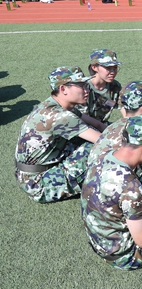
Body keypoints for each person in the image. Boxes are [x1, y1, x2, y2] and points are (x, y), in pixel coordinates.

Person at [82, 115, 142, 270]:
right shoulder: (129, 186)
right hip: (125, 255)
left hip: (102, 242)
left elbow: (115, 202)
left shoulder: (102, 157)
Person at [14, 66, 102, 203]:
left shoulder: (53, 104)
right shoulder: (60, 116)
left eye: (86, 85)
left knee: (87, 137)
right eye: (81, 85)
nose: (87, 89)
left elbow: (97, 124)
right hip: (38, 184)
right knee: (97, 149)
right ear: (63, 89)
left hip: (28, 174)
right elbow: (105, 141)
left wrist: (111, 128)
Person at [76, 49, 122, 131]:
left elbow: (124, 109)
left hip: (103, 126)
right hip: (84, 128)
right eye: (108, 68)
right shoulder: (84, 88)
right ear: (94, 67)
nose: (113, 72)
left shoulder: (115, 86)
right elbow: (82, 118)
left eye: (115, 68)